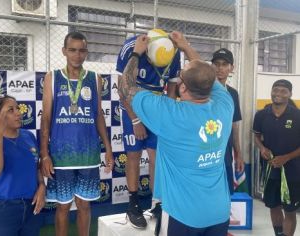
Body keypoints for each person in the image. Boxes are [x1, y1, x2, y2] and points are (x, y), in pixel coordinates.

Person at [118, 31, 234, 236]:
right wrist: (186, 46)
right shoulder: (225, 105)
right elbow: (205, 75)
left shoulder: (169, 114)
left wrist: (136, 54)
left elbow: (126, 86)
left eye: (182, 73)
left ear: (182, 89)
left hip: (183, 215)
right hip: (219, 212)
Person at [116, 29, 192, 228]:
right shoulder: (130, 48)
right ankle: (133, 205)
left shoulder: (173, 53)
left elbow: (172, 90)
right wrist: (135, 120)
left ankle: (157, 203)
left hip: (157, 109)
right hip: (132, 105)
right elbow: (121, 88)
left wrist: (164, 121)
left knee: (156, 156)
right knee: (133, 155)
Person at [40, 31, 114, 236]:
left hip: (88, 155)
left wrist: (108, 149)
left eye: (81, 50)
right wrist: (44, 154)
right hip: (60, 157)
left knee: (84, 205)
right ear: (64, 51)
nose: (77, 55)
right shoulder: (52, 77)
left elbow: (98, 114)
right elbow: (45, 118)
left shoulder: (95, 79)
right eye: (72, 50)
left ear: (87, 53)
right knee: (63, 207)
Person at [0, 94, 45, 236]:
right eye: (11, 110)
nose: (18, 113)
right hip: (1, 211)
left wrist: (42, 186)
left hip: (31, 208)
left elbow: (36, 167)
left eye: (17, 108)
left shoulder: (29, 136)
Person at [253, 79, 300, 236]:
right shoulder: (261, 115)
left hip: (292, 173)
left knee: (290, 210)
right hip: (270, 170)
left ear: (290, 94)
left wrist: (286, 157)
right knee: (274, 206)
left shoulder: (297, 115)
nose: (278, 93)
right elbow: (257, 136)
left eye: (283, 91)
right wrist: (262, 148)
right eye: (276, 90)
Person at [212, 48, 245, 196]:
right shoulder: (202, 89)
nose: (220, 68)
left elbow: (234, 125)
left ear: (231, 68)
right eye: (216, 63)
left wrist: (238, 153)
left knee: (225, 191)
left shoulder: (232, 93)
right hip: (205, 148)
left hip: (225, 151)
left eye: (224, 64)